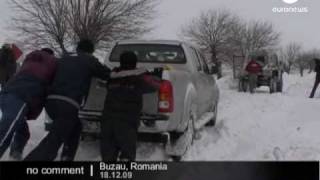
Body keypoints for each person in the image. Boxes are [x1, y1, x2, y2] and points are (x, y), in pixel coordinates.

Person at [25, 39, 111, 161]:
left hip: (51, 102)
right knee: (54, 140)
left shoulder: (64, 58)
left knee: (75, 127)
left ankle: (67, 157)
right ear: (91, 51)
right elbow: (107, 74)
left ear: (77, 48)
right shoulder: (89, 60)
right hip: (67, 104)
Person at [100, 51, 161, 161]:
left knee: (108, 154)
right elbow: (155, 86)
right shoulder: (139, 78)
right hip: (127, 121)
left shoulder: (112, 77)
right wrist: (156, 75)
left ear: (120, 62)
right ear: (135, 63)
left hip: (108, 120)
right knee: (127, 154)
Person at [0, 48, 57, 160]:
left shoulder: (30, 58)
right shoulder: (52, 61)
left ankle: (15, 153)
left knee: (23, 132)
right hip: (21, 96)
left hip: (7, 93)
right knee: (6, 131)